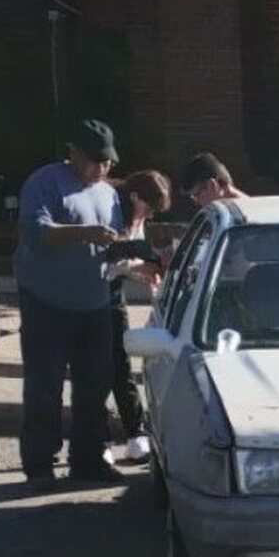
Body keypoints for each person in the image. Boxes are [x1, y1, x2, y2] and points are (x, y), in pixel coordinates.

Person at [13, 120, 124, 490]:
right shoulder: (45, 182)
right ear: (73, 152)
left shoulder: (108, 194)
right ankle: (40, 462)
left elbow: (112, 242)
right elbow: (35, 231)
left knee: (95, 385)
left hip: (94, 303)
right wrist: (84, 233)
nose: (102, 169)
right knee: (45, 385)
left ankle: (88, 459)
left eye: (107, 162)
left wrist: (129, 256)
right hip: (47, 303)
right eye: (95, 161)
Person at [105, 170, 171, 465]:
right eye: (149, 207)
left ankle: (135, 435)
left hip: (113, 293)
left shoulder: (137, 216)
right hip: (93, 293)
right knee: (95, 368)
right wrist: (135, 269)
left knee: (120, 361)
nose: (150, 215)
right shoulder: (110, 214)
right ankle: (98, 438)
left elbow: (128, 259)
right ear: (134, 197)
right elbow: (105, 263)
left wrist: (142, 270)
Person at [177, 152, 249, 207]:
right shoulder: (255, 209)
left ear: (212, 185)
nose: (196, 202)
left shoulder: (224, 221)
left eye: (196, 195)